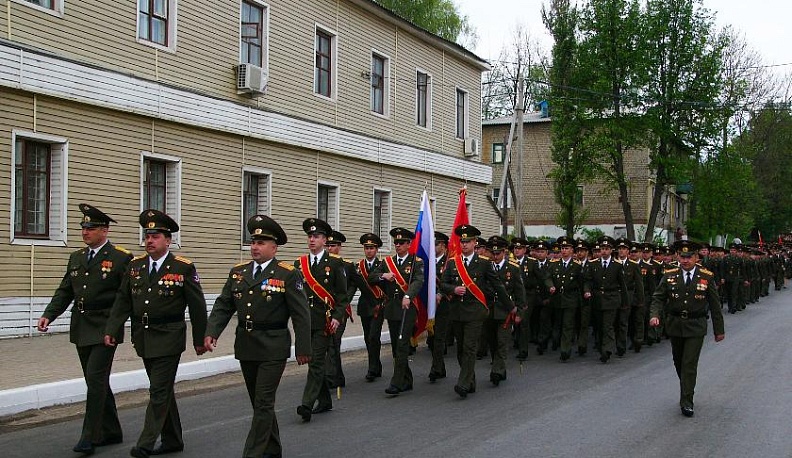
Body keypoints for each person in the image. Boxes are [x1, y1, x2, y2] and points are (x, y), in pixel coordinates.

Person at [203, 215, 311, 458]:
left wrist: (303, 348)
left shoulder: (287, 274)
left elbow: (301, 314)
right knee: (258, 402)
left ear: (274, 247)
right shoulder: (238, 273)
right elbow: (223, 305)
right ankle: (272, 448)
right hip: (247, 345)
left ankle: (252, 453)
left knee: (263, 402)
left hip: (273, 346)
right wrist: (211, 332)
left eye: (261, 243)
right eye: (253, 242)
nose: (255, 247)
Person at [104, 209, 208, 458]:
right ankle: (172, 439)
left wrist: (200, 339)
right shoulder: (135, 267)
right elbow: (122, 301)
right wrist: (112, 328)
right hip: (144, 336)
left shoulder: (182, 267)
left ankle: (146, 442)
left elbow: (197, 306)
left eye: (156, 236)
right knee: (162, 388)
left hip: (170, 337)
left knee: (158, 390)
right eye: (147, 236)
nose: (149, 240)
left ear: (168, 240)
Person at [38, 204, 133, 455]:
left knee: (95, 380)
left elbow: (127, 297)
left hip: (105, 327)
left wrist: (116, 326)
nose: (85, 232)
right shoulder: (77, 257)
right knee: (97, 380)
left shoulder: (121, 258)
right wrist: (49, 314)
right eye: (83, 228)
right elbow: (65, 291)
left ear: (104, 230)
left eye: (90, 228)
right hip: (81, 326)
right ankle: (112, 431)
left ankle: (90, 436)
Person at [649, 240, 725, 417]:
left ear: (696, 257)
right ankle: (686, 387)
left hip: (696, 326)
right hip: (675, 325)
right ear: (677, 257)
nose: (685, 260)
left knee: (689, 363)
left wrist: (718, 330)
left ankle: (687, 400)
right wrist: (654, 315)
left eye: (689, 257)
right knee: (678, 362)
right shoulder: (669, 275)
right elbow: (658, 298)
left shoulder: (706, 276)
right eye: (682, 257)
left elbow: (715, 305)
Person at [441, 225, 513, 399]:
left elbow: (497, 286)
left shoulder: (484, 263)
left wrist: (511, 306)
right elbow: (443, 284)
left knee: (469, 347)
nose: (464, 244)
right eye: (462, 241)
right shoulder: (452, 263)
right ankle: (470, 380)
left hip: (475, 312)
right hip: (457, 312)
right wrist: (453, 289)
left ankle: (463, 383)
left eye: (468, 241)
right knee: (460, 349)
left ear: (474, 242)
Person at [294, 218, 347, 422]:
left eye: (316, 236)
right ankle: (325, 399)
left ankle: (307, 404)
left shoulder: (334, 263)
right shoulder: (300, 263)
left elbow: (342, 296)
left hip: (324, 322)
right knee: (313, 363)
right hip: (305, 321)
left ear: (325, 240)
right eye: (310, 236)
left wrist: (337, 317)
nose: (312, 240)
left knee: (315, 362)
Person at [368, 227, 424, 395]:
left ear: (409, 244)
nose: (398, 245)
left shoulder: (416, 262)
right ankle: (407, 380)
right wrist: (383, 276)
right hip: (392, 308)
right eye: (396, 243)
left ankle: (397, 383)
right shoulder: (387, 262)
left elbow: (418, 281)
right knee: (396, 346)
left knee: (401, 344)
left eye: (401, 243)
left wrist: (408, 295)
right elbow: (371, 277)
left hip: (407, 307)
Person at [482, 236, 524, 382]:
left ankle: (497, 371)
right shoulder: (484, 266)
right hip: (488, 310)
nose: (495, 256)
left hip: (505, 311)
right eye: (492, 253)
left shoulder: (513, 268)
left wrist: (519, 312)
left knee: (502, 342)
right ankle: (499, 366)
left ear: (504, 252)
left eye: (498, 253)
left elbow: (520, 292)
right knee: (492, 341)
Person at [583, 236, 628, 363]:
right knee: (599, 326)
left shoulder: (617, 265)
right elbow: (588, 280)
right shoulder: (593, 264)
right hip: (597, 299)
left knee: (608, 325)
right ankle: (601, 346)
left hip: (611, 299)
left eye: (607, 249)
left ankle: (607, 350)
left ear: (611, 250)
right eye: (602, 248)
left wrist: (624, 302)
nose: (604, 251)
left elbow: (622, 284)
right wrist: (587, 291)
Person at [349, 233, 386, 382]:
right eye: (366, 248)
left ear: (376, 250)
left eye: (371, 248)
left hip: (378, 304)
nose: (369, 251)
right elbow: (353, 285)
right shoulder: (358, 266)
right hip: (365, 305)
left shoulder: (382, 265)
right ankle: (375, 365)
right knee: (367, 337)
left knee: (373, 336)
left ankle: (373, 368)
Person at [324, 230, 355, 390]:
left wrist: (344, 301)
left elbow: (352, 285)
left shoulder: (346, 265)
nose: (330, 248)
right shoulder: (322, 264)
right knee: (329, 343)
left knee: (334, 342)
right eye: (328, 245)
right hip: (324, 309)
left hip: (340, 310)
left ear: (339, 247)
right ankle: (338, 376)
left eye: (333, 245)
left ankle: (332, 377)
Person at [546, 236, 582, 362]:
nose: (564, 250)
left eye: (567, 248)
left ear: (572, 250)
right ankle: (557, 342)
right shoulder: (554, 264)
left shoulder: (577, 266)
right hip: (557, 298)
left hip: (570, 298)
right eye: (562, 248)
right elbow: (547, 277)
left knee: (568, 324)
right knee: (558, 323)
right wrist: (550, 286)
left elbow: (581, 282)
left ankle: (565, 349)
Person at [428, 231, 451, 382]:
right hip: (429, 305)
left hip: (443, 305)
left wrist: (441, 293)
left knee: (439, 338)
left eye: (436, 244)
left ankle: (435, 369)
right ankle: (440, 367)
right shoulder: (427, 261)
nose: (433, 247)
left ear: (443, 245)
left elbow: (449, 282)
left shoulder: (449, 262)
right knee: (431, 339)